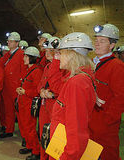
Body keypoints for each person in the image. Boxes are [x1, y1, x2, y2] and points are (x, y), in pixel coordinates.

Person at [48, 32, 96, 160]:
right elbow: (55, 85)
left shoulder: (77, 83)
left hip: (67, 153)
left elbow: (76, 130)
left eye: (61, 53)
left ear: (71, 54)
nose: (58, 57)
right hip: (61, 145)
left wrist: (68, 157)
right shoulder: (76, 78)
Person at [89, 24, 124, 160]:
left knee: (108, 155)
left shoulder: (117, 67)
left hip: (105, 125)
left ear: (112, 45)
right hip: (90, 119)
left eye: (102, 41)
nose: (97, 43)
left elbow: (121, 98)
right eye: (96, 40)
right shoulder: (92, 63)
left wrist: (107, 121)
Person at [16, 46, 42, 160]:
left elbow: (37, 90)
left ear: (32, 58)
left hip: (29, 104)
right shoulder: (27, 70)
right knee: (23, 126)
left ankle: (36, 151)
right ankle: (29, 146)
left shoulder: (37, 72)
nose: (24, 58)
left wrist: (25, 91)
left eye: (26, 56)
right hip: (22, 102)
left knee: (30, 128)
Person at [0, 32, 25, 139]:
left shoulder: (21, 54)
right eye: (8, 41)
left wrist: (20, 86)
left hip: (15, 88)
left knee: (19, 113)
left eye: (11, 41)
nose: (8, 42)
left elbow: (23, 71)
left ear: (17, 43)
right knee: (8, 110)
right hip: (6, 87)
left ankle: (25, 136)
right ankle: (9, 130)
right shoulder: (8, 54)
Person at [37, 37, 61, 160]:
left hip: (55, 105)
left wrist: (52, 94)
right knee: (43, 133)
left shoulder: (63, 67)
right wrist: (41, 90)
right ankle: (43, 156)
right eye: (46, 50)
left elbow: (62, 87)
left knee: (54, 135)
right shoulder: (47, 67)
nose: (46, 52)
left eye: (50, 50)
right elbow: (41, 83)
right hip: (44, 104)